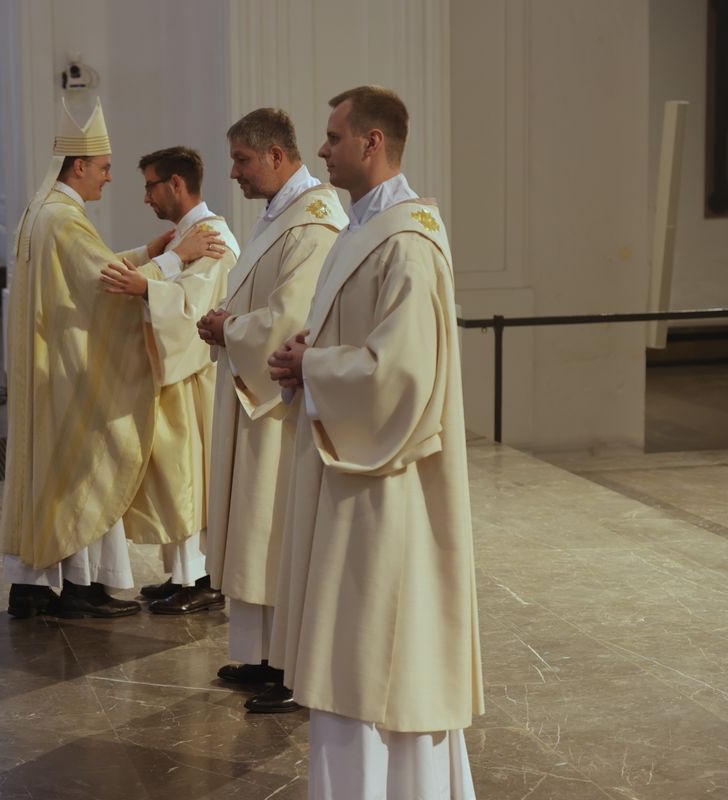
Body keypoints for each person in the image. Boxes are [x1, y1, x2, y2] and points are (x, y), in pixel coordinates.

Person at [266, 86, 483, 799]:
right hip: (351, 472)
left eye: (332, 138)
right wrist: (312, 350)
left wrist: (314, 367)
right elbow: (364, 341)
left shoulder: (410, 244)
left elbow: (403, 373)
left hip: (386, 482)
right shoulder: (363, 229)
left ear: (372, 144)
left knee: (374, 657)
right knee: (353, 655)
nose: (321, 150)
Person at [1, 98, 225, 620]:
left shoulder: (45, 212)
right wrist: (176, 258)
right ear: (78, 166)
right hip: (69, 371)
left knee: (64, 473)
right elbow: (104, 287)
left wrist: (149, 255)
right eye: (103, 169)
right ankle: (77, 588)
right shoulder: (62, 219)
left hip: (53, 365)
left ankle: (43, 586)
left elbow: (97, 271)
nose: (108, 180)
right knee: (84, 471)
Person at [196, 108, 346, 714]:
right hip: (251, 395)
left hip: (279, 405)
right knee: (258, 529)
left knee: (278, 529)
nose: (233, 173)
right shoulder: (280, 215)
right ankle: (264, 655)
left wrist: (229, 325)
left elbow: (290, 318)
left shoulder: (314, 222)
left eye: (242, 161)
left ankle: (292, 666)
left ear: (278, 157)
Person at [100, 146, 240, 615]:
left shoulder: (214, 237)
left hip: (194, 375)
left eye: (150, 186)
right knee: (174, 479)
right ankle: (180, 574)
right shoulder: (185, 237)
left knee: (189, 480)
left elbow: (193, 308)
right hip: (175, 374)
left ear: (176, 184)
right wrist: (161, 269)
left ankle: (201, 578)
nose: (146, 198)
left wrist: (147, 286)